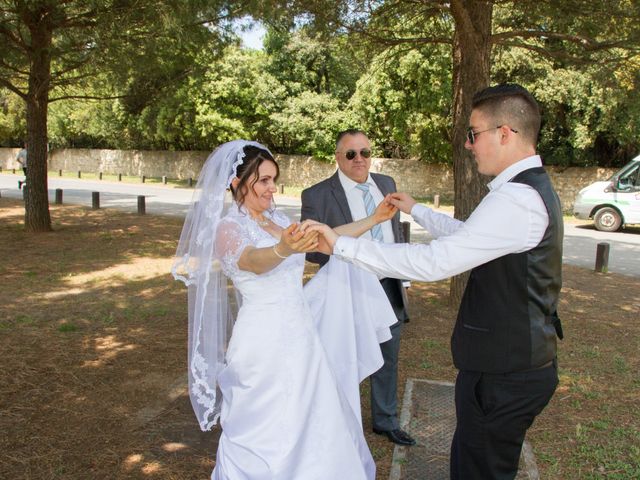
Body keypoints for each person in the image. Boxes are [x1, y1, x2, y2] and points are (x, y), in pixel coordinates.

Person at [310, 84, 563, 479]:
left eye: (473, 133)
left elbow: (435, 261)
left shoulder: (517, 200)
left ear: (504, 133)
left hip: (505, 374)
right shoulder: (524, 191)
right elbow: (467, 235)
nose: (468, 145)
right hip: (505, 366)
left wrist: (343, 244)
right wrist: (416, 209)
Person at [171, 140, 398, 480]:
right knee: (266, 423)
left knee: (312, 416)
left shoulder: (278, 219)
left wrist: (374, 218)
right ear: (237, 181)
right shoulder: (227, 227)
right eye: (263, 180)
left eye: (272, 179)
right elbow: (252, 261)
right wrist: (282, 248)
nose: (271, 187)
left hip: (302, 337)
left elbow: (327, 238)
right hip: (262, 342)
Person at [301, 129, 416, 447]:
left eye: (364, 152)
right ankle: (336, 416)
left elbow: (395, 232)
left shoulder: (387, 184)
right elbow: (311, 251)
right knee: (341, 355)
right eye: (351, 154)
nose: (359, 159)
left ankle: (385, 420)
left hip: (388, 284)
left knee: (388, 354)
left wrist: (403, 272)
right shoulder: (317, 195)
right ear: (337, 157)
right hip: (346, 288)